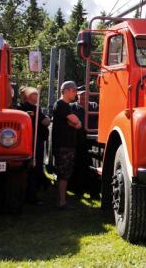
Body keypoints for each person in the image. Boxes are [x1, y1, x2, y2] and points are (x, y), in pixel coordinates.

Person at [17, 87, 50, 204]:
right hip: (34, 142)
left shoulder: (21, 107)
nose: (38, 97)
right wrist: (47, 118)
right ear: (30, 97)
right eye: (36, 95)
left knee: (30, 169)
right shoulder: (31, 109)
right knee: (34, 168)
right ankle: (31, 196)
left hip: (31, 141)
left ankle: (26, 194)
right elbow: (45, 122)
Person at [52, 81, 81, 209]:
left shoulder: (66, 106)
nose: (76, 93)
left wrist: (75, 123)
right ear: (67, 90)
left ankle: (61, 200)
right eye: (75, 91)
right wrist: (74, 122)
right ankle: (61, 202)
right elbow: (76, 121)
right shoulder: (61, 104)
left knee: (64, 173)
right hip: (63, 145)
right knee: (63, 174)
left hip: (66, 144)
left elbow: (77, 124)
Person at [70, 90, 100, 198]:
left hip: (91, 140)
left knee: (92, 166)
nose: (83, 99)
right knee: (78, 165)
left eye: (85, 96)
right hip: (77, 140)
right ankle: (78, 189)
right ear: (77, 96)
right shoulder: (72, 107)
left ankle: (94, 191)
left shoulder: (93, 106)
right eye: (81, 96)